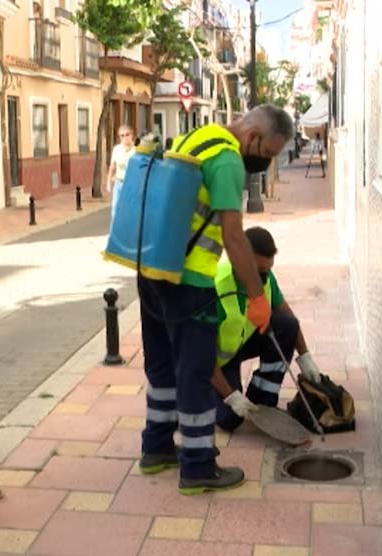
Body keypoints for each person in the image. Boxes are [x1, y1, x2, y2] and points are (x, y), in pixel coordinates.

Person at [136, 105, 295, 496]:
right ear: (255, 136)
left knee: (162, 368)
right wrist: (257, 296)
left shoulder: (202, 137)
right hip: (188, 282)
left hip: (152, 270)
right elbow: (234, 238)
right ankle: (197, 466)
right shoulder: (227, 162)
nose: (265, 161)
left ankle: (156, 448)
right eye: (269, 153)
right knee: (194, 371)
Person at [209, 227, 323, 431]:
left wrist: (305, 356)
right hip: (212, 359)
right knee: (229, 419)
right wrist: (231, 396)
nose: (264, 277)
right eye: (260, 271)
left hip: (240, 342)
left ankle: (262, 401)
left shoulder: (266, 277)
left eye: (268, 270)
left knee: (286, 326)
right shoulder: (216, 287)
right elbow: (201, 354)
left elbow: (288, 317)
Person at [107, 124, 135, 218]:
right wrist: (108, 182)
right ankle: (114, 231)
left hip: (131, 184)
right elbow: (112, 167)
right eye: (122, 135)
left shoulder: (136, 151)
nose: (125, 137)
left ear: (131, 135)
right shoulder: (117, 149)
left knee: (130, 209)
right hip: (118, 183)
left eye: (127, 134)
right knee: (115, 208)